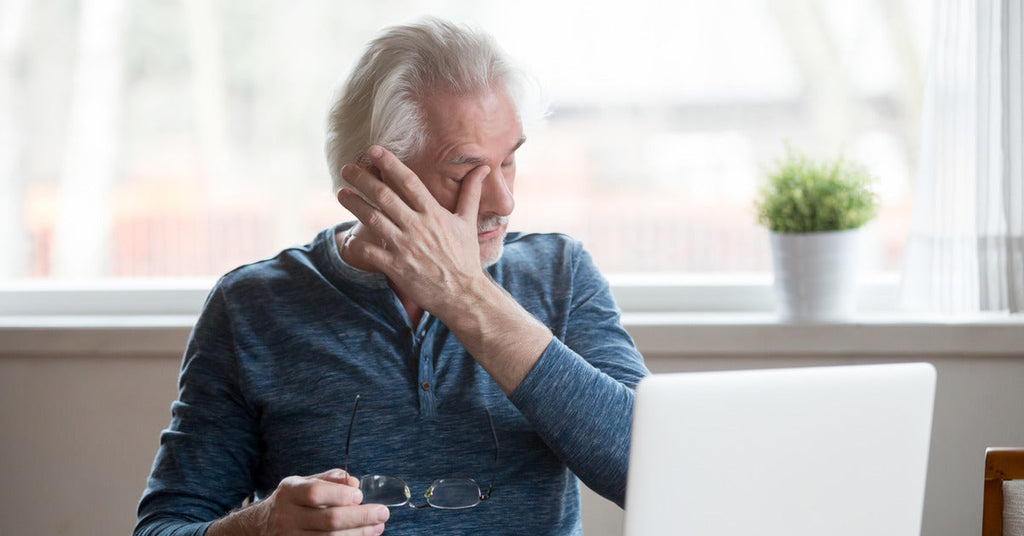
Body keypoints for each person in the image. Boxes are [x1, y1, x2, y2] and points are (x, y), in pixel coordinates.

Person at [135, 17, 648, 536]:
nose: (502, 201)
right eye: (464, 173)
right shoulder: (252, 306)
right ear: (377, 178)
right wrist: (260, 526)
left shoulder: (561, 275)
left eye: (509, 162)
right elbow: (164, 526)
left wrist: (466, 296)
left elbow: (649, 470)